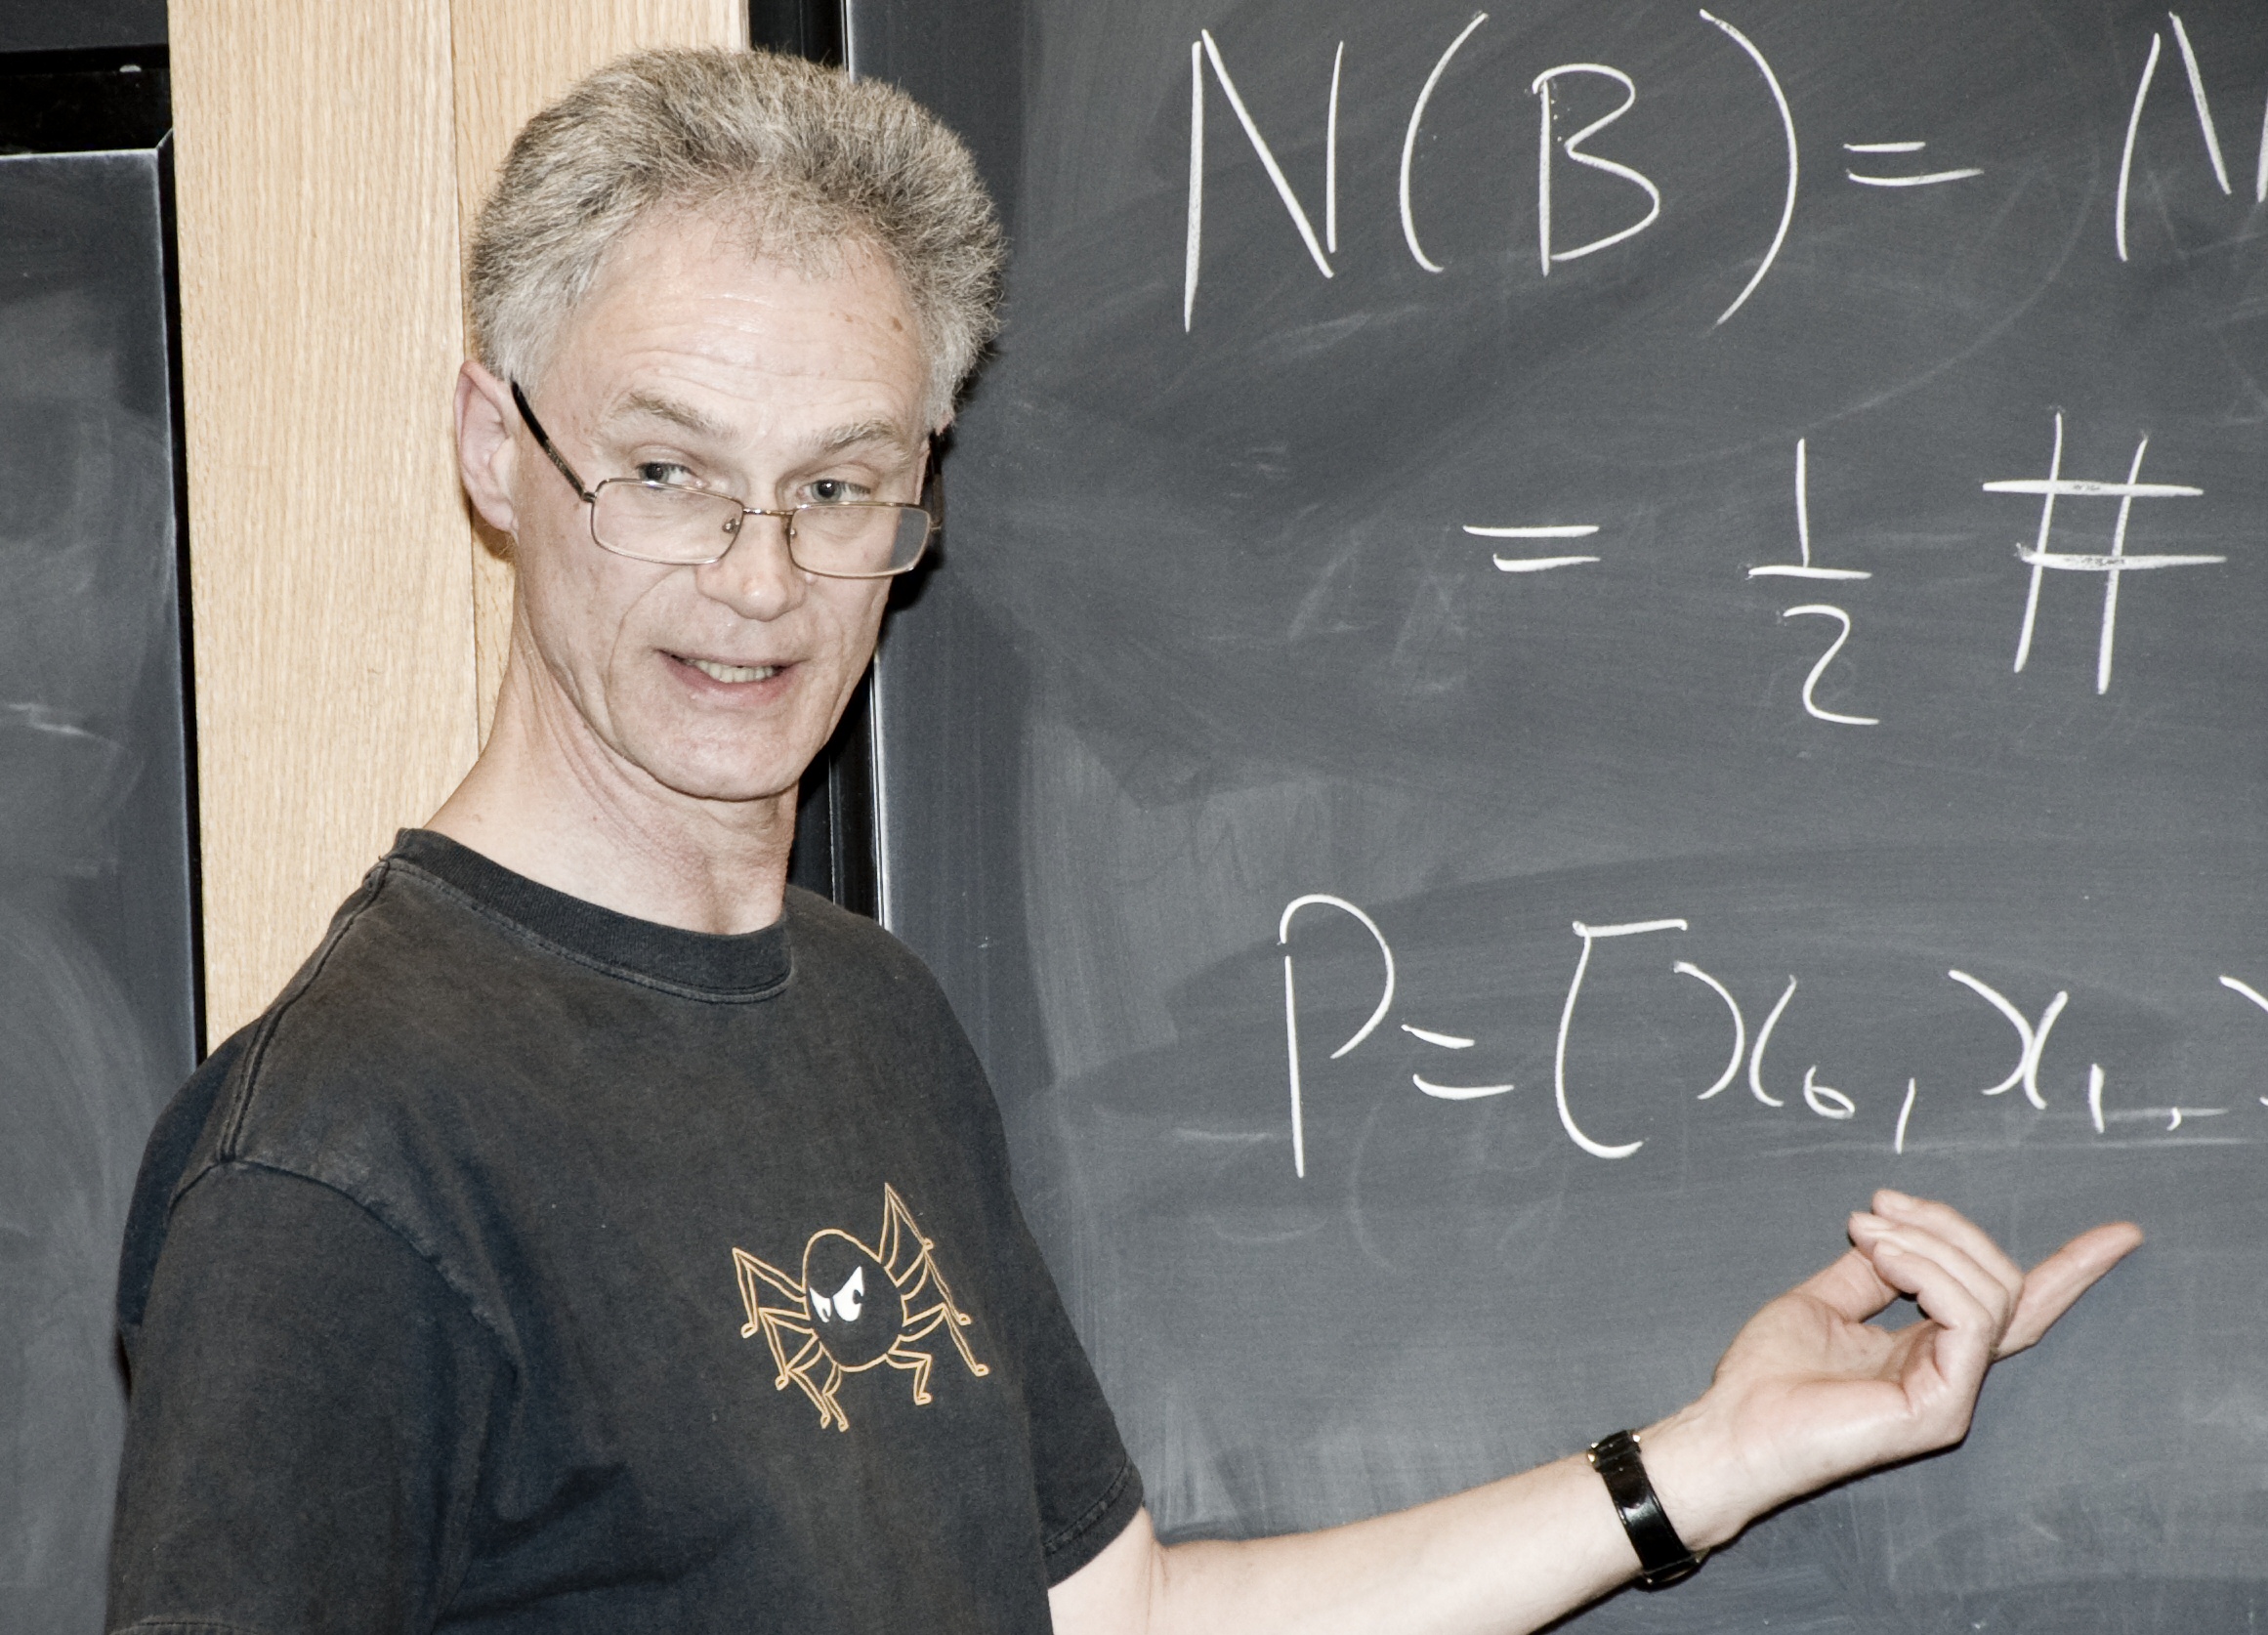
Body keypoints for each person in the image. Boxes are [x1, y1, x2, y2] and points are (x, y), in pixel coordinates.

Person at [106, 45, 2141, 1635]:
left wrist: (1702, 1460)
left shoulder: (866, 1016)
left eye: (840, 487)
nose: (758, 578)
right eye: (666, 472)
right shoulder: (342, 1164)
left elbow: (1116, 1612)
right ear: (497, 445)